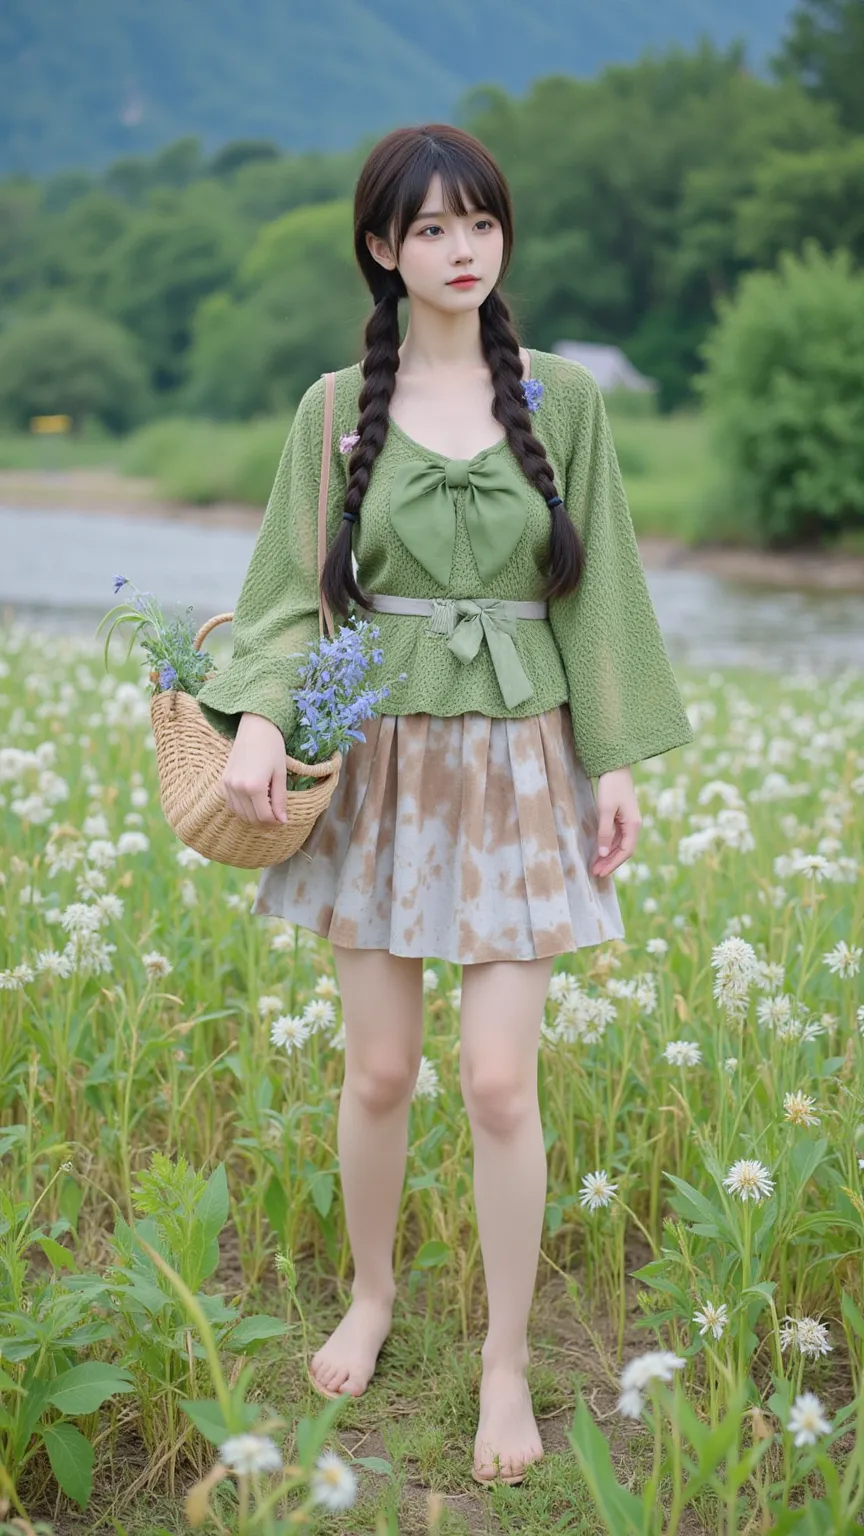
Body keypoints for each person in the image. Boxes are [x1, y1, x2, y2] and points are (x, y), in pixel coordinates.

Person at [196, 123, 694, 1486]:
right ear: (381, 248)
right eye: (428, 229)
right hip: (382, 759)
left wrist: (620, 759)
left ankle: (507, 1361)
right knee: (378, 1069)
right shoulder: (330, 409)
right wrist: (252, 723)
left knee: (495, 1081)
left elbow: (603, 594)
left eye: (479, 222)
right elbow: (291, 592)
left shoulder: (566, 399)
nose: (460, 249)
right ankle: (372, 1292)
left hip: (524, 757)